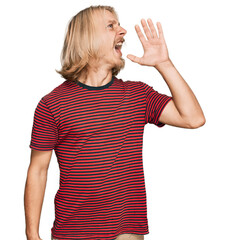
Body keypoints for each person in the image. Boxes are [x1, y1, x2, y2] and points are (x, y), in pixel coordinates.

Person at [24, 5, 205, 240]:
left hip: (126, 233)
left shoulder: (138, 95)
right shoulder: (53, 104)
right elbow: (37, 171)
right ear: (86, 38)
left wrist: (164, 63)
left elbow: (193, 118)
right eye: (111, 26)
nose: (123, 31)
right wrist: (32, 235)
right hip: (72, 233)